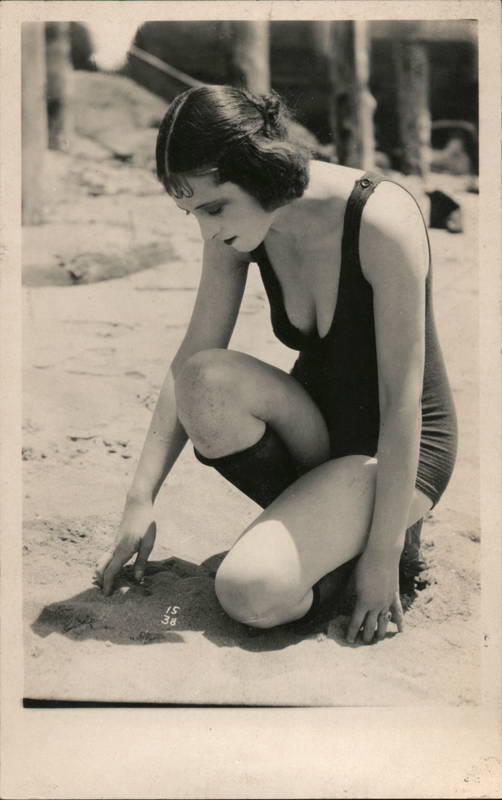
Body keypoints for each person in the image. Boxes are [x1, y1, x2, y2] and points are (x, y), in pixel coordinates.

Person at [94, 85, 457, 644]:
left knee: (248, 592)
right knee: (203, 379)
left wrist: (382, 560)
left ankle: (383, 532)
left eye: (214, 207)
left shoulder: (382, 218)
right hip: (316, 430)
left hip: (401, 444)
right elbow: (191, 354)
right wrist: (139, 500)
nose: (208, 230)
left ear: (262, 170)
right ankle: (328, 532)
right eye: (192, 212)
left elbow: (402, 401)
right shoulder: (237, 223)